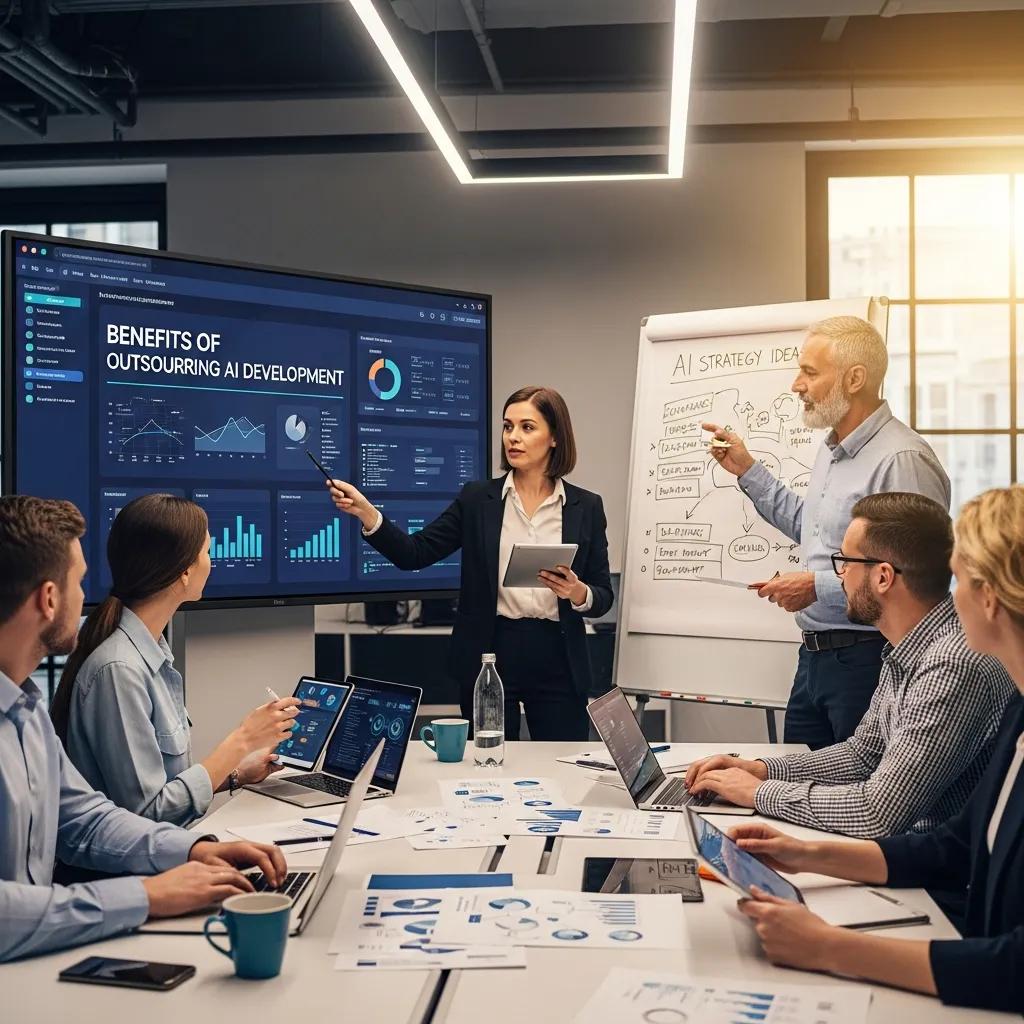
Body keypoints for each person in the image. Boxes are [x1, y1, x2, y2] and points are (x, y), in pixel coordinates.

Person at [731, 485, 1024, 1015]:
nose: (949, 596)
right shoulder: (1005, 704)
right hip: (967, 943)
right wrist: (800, 846)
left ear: (991, 598)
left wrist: (828, 946)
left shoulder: (956, 661)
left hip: (969, 948)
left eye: (960, 577)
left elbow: (880, 810)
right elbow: (952, 840)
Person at [0, 495, 287, 962]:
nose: (86, 596)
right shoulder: (114, 668)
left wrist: (195, 850)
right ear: (48, 599)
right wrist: (147, 896)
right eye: (79, 581)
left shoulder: (24, 708)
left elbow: (84, 820)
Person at [685, 492, 1014, 838]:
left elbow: (878, 812)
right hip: (909, 856)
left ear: (883, 577)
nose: (840, 576)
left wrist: (756, 792)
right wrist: (758, 770)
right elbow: (863, 755)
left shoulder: (950, 665)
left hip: (934, 878)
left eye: (845, 562)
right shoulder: (906, 648)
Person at [704, 315, 950, 749]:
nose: (796, 384)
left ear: (855, 378)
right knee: (798, 786)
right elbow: (810, 527)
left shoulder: (902, 459)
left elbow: (916, 576)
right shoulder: (833, 450)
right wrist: (747, 469)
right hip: (814, 661)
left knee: (852, 797)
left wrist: (818, 586)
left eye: (810, 372)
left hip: (870, 660)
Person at [327, 385, 613, 741]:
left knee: (560, 766)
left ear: (554, 437)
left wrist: (578, 591)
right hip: (490, 654)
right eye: (508, 427)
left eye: (527, 427)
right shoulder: (478, 499)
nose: (513, 438)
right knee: (492, 769)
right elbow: (415, 553)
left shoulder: (586, 506)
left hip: (559, 656)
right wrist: (367, 513)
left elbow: (603, 595)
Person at [49, 494, 301, 827]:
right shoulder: (119, 671)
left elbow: (164, 791)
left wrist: (235, 775)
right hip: (137, 874)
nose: (212, 562)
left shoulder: (152, 655)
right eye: (207, 552)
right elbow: (145, 816)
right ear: (183, 571)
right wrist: (243, 739)